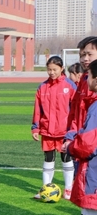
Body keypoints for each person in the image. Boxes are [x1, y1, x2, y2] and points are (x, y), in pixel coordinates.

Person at [62, 59, 97, 215]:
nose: (87, 80)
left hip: (93, 170)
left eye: (90, 76)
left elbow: (88, 143)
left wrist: (71, 145)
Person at [31, 56, 76, 200]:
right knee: (48, 159)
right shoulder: (42, 87)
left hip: (65, 132)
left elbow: (75, 110)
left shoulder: (69, 86)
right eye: (49, 69)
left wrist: (73, 130)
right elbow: (37, 109)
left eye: (54, 69)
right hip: (47, 130)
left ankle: (68, 189)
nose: (51, 72)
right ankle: (46, 189)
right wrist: (35, 128)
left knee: (66, 159)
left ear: (62, 69)